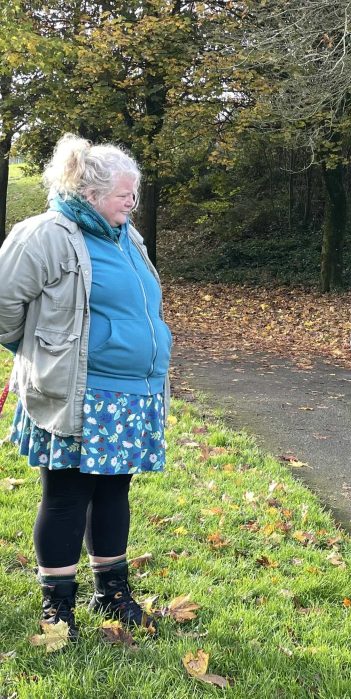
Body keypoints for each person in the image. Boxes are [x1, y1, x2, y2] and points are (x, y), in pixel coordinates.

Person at [0, 134, 171, 640]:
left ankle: (112, 593)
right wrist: (41, 349)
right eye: (124, 194)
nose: (132, 203)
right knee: (67, 495)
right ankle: (58, 607)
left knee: (115, 490)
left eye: (134, 194)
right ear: (91, 193)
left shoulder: (128, 237)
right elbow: (5, 307)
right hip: (78, 392)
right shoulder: (45, 235)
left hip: (131, 392)